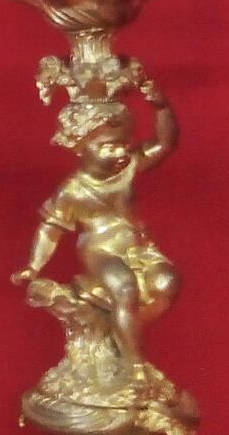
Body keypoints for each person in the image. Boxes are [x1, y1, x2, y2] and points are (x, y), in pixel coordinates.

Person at [14, 77, 180, 365]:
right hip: (100, 250)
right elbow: (51, 229)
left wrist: (161, 106)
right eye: (107, 147)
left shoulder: (129, 167)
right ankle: (135, 366)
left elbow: (165, 143)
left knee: (168, 284)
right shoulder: (73, 190)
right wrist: (34, 266)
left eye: (123, 144)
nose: (120, 153)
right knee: (126, 288)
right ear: (81, 147)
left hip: (139, 249)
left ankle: (122, 327)